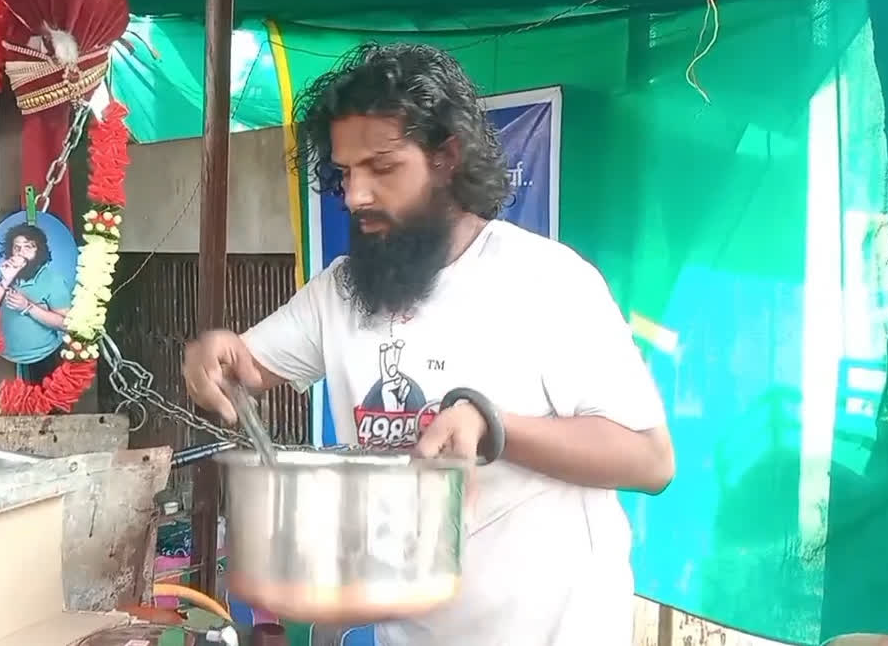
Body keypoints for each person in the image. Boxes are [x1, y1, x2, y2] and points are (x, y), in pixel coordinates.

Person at [182, 43, 675, 645]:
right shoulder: (339, 291)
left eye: (382, 169)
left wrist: (492, 426)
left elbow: (649, 460)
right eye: (345, 173)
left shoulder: (545, 279)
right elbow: (248, 365)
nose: (356, 196)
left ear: (447, 156)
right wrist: (215, 351)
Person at [0, 223, 71, 381]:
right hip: (5, 358)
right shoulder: (6, 275)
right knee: (6, 405)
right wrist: (5, 281)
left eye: (28, 247)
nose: (21, 253)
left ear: (39, 251)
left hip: (42, 358)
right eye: (17, 248)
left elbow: (66, 324)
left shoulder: (53, 280)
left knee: (43, 405)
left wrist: (27, 306)